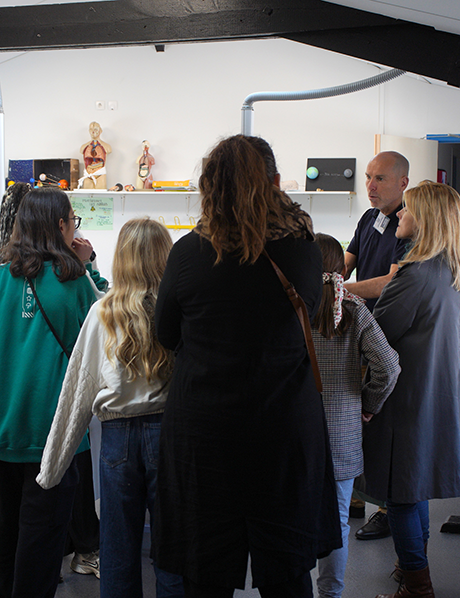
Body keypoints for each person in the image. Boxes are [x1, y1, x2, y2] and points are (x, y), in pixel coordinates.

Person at [152, 135, 341, 598]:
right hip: (282, 424)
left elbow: (166, 334)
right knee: (288, 570)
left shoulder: (187, 253)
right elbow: (308, 315)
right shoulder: (303, 249)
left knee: (204, 569)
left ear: (210, 188)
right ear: (275, 183)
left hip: (205, 429)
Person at [0, 186, 105, 598]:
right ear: (60, 225)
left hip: (2, 428)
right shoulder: (74, 283)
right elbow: (100, 334)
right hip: (53, 433)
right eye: (72, 220)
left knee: (6, 526)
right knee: (43, 536)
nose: (74, 227)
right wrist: (88, 265)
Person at [38, 217, 185, 598]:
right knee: (174, 553)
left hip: (118, 439)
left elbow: (77, 390)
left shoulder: (103, 312)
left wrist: (51, 469)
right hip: (169, 435)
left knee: (118, 551)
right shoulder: (181, 310)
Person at [364, 181, 460, 598]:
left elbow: (378, 335)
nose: (399, 214)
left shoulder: (416, 274)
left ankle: (417, 583)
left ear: (426, 219)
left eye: (408, 209)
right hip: (436, 392)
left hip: (405, 397)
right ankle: (411, 564)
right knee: (416, 484)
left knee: (399, 494)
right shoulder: (456, 270)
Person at [311, 233, 401, 598]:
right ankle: (330, 593)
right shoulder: (354, 309)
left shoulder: (292, 307)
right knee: (338, 522)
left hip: (296, 433)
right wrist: (368, 404)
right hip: (342, 434)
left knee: (294, 520)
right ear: (341, 269)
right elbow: (389, 367)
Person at [344, 150, 411, 542]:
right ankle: (354, 496)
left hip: (387, 334)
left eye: (380, 178)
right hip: (356, 331)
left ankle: (386, 507)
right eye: (368, 176)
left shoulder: (409, 225)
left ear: (403, 183)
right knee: (354, 416)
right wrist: (324, 279)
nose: (370, 185)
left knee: (382, 424)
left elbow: (391, 282)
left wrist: (339, 291)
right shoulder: (369, 218)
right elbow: (347, 261)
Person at [80, 121, 112, 190]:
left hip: (100, 172)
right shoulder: (84, 147)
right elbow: (82, 151)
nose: (93, 132)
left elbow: (108, 150)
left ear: (100, 131)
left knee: (101, 194)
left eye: (95, 129)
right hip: (88, 173)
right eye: (91, 129)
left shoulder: (106, 147)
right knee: (87, 194)